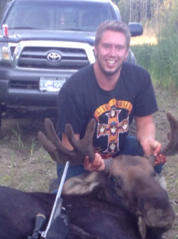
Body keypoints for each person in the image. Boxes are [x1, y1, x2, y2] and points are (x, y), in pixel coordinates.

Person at [54, 20, 163, 184]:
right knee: (71, 200)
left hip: (119, 150)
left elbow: (146, 122)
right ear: (96, 49)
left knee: (152, 159)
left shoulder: (140, 79)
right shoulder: (74, 89)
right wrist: (89, 159)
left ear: (126, 52)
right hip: (80, 159)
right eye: (107, 46)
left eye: (119, 48)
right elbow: (69, 146)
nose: (112, 53)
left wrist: (147, 140)